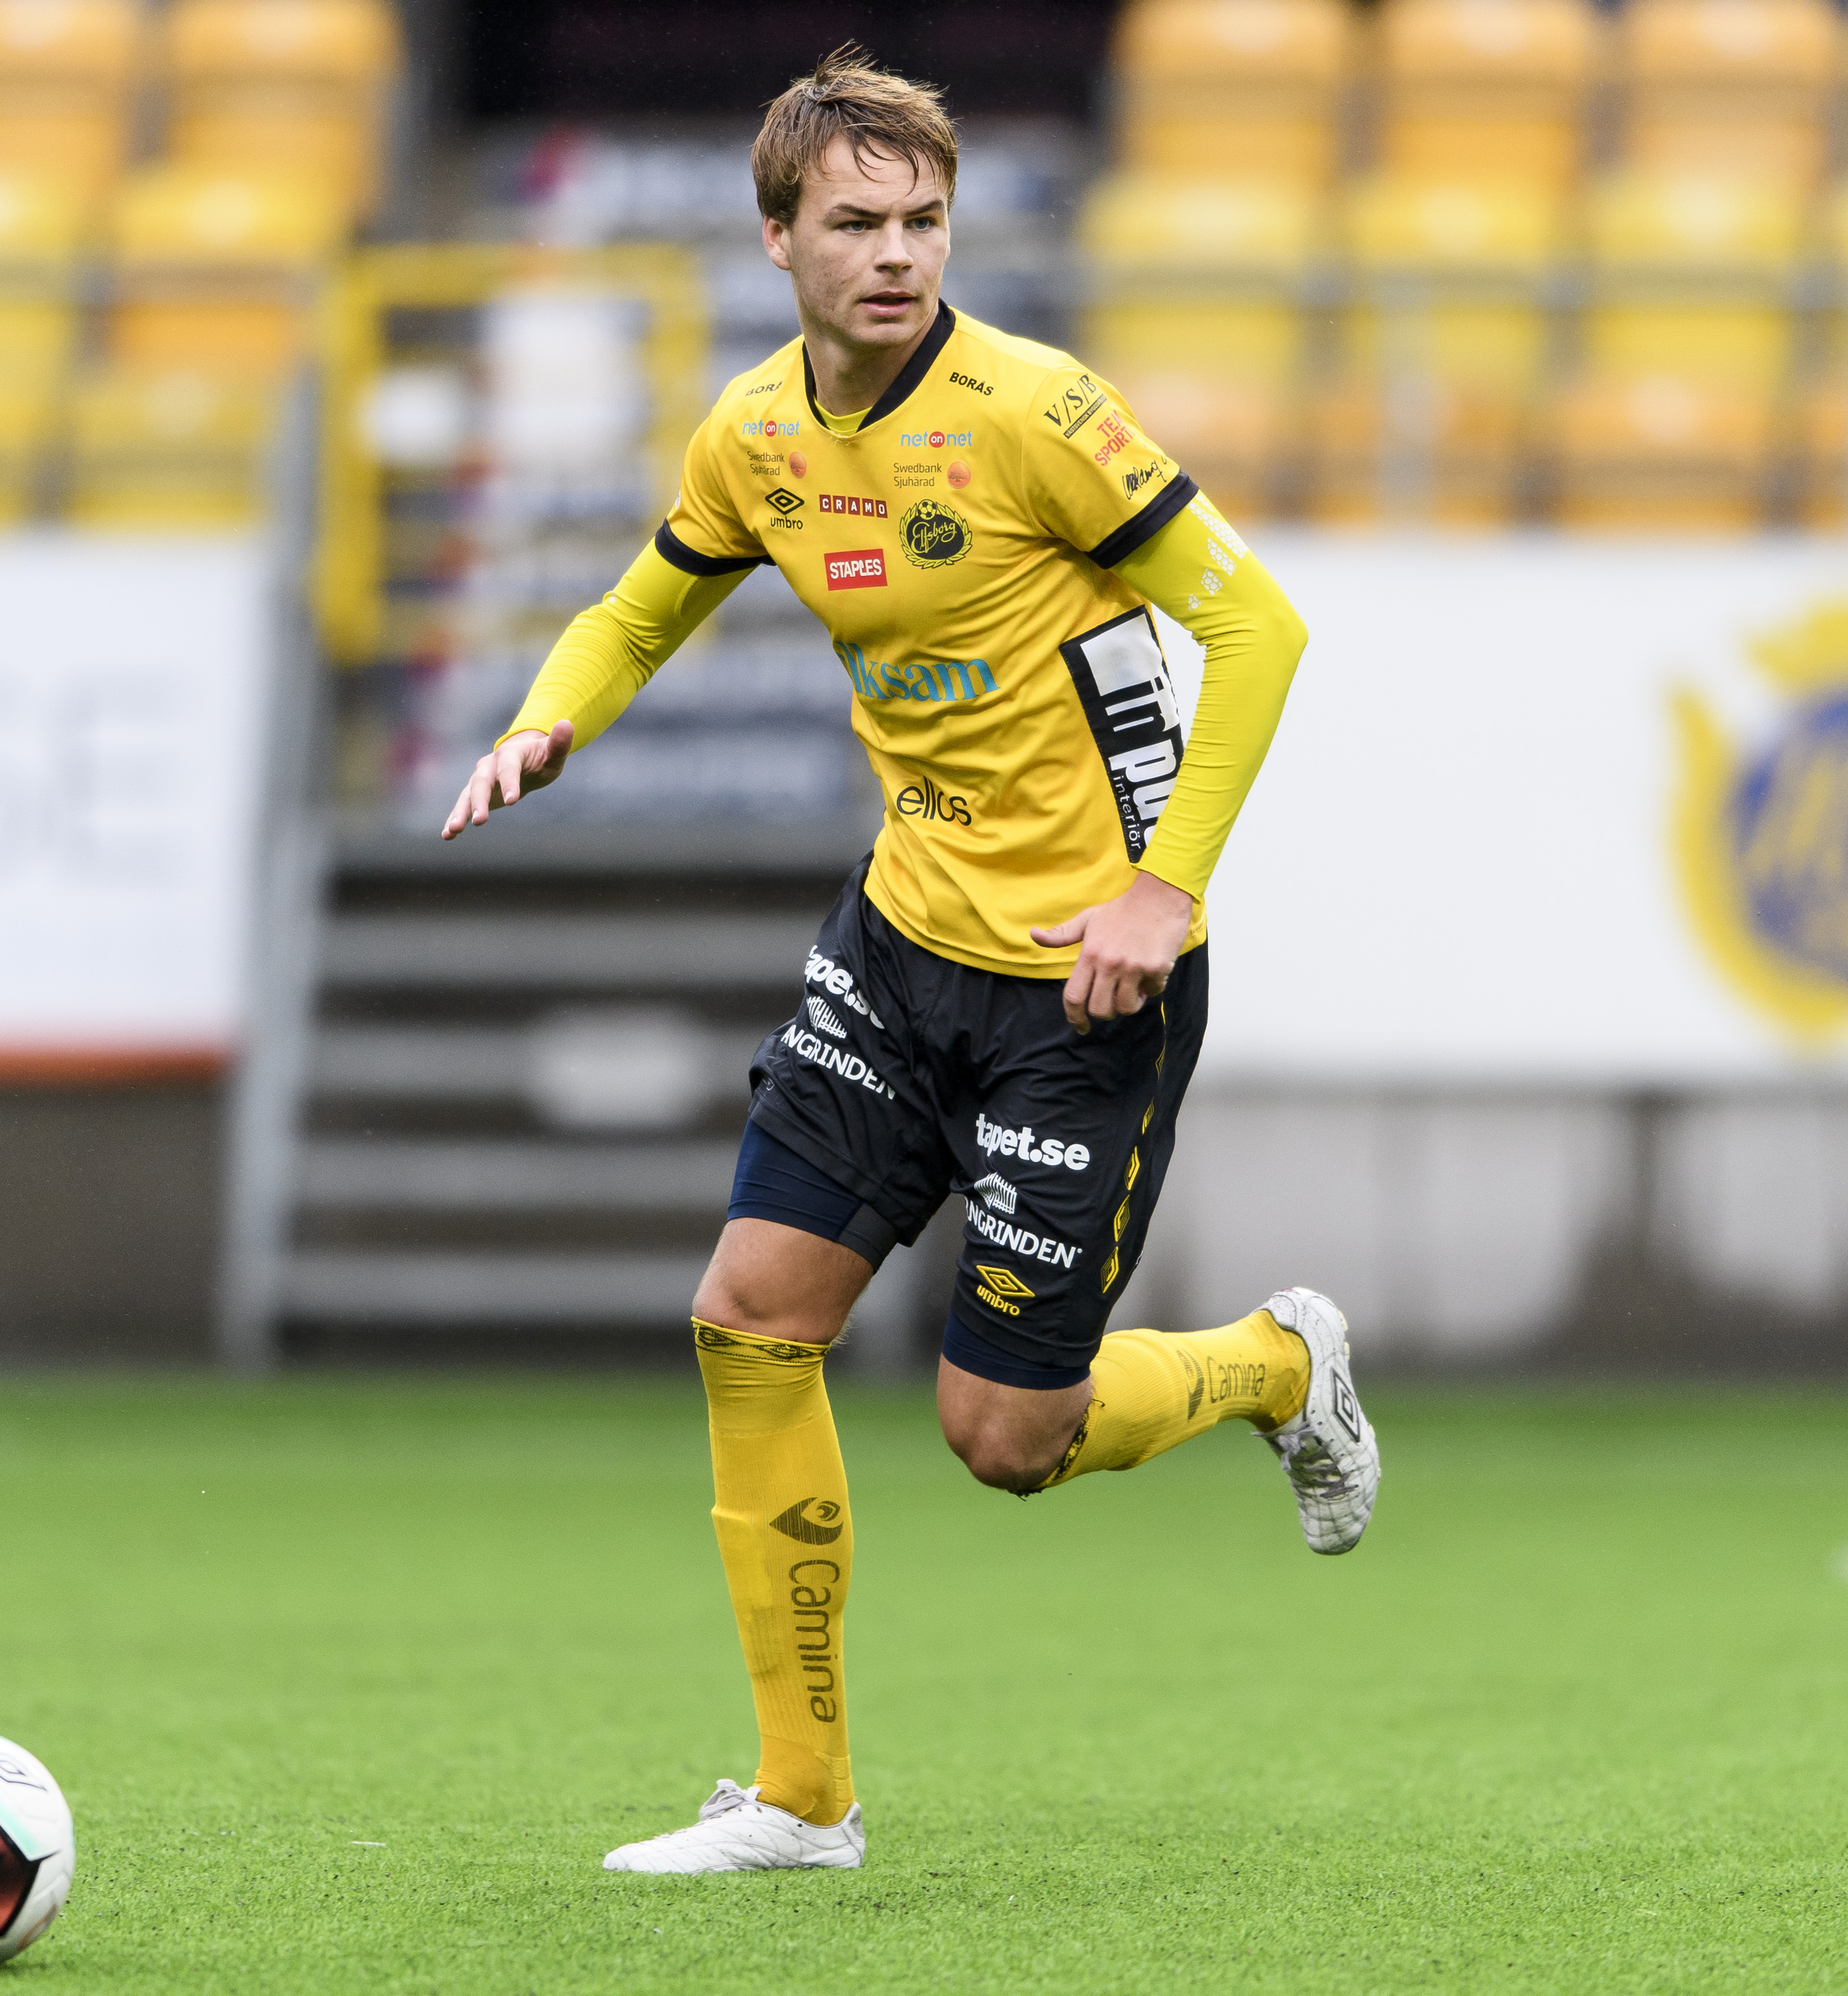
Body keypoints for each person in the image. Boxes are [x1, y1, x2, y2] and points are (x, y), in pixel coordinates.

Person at [440, 47, 1378, 1875]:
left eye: (923, 220)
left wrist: (1162, 891)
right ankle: (802, 1801)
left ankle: (1275, 1364)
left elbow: (1258, 626)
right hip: (897, 947)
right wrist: (547, 722)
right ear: (777, 239)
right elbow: (639, 606)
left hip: (1085, 981)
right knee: (747, 1318)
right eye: (857, 222)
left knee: (1004, 1438)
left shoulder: (1037, 411)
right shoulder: (752, 433)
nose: (895, 254)